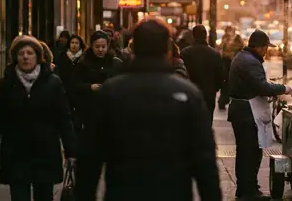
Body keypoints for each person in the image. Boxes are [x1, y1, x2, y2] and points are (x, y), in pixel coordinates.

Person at [75, 19, 221, 201]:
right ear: (167, 49)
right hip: (172, 191)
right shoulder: (187, 93)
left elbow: (90, 155)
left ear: (134, 48)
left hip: (124, 191)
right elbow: (204, 159)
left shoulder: (112, 92)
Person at [0, 36, 77, 201]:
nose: (25, 57)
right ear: (15, 57)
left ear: (38, 56)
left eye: (30, 53)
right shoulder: (7, 83)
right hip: (16, 152)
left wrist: (71, 151)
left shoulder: (52, 82)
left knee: (44, 195)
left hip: (45, 151)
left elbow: (64, 119)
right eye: (21, 53)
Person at [228, 30, 292, 200]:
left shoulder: (244, 57)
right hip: (246, 113)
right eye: (265, 47)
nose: (266, 51)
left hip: (241, 111)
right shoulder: (250, 62)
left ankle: (245, 188)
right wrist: (284, 89)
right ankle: (249, 191)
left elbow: (256, 83)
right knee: (250, 152)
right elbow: (261, 87)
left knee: (246, 152)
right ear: (258, 47)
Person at [73, 31, 124, 133]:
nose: (100, 50)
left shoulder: (115, 62)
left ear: (107, 46)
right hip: (90, 110)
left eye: (103, 46)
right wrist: (90, 87)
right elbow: (75, 84)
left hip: (111, 109)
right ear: (91, 46)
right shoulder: (83, 63)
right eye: (97, 47)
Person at [180, 25, 225, 117]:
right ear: (205, 36)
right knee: (207, 120)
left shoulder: (185, 53)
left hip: (190, 93)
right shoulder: (215, 54)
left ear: (193, 36)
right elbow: (220, 76)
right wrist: (214, 88)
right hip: (208, 94)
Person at [217, 26, 241, 110]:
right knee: (225, 82)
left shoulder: (237, 38)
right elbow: (220, 48)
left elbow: (240, 47)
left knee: (232, 82)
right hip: (225, 61)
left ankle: (228, 100)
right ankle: (223, 100)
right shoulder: (225, 38)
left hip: (233, 61)